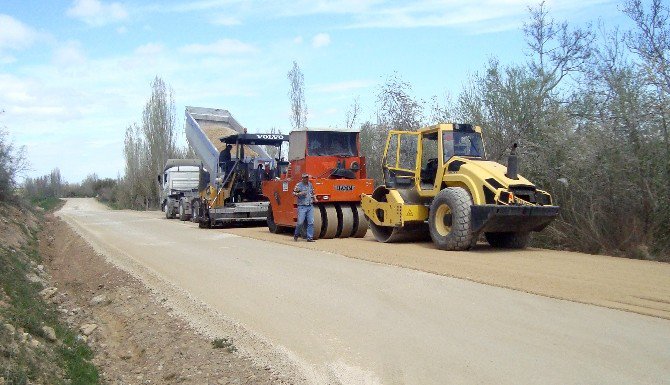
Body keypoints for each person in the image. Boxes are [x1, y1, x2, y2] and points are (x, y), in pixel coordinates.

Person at [293, 173, 316, 242]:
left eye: (307, 177)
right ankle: (296, 235)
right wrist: (300, 193)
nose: (306, 179)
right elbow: (293, 193)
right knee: (300, 222)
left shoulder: (310, 185)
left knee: (311, 222)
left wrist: (314, 198)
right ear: (302, 178)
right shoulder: (298, 185)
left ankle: (309, 238)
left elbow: (312, 193)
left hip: (310, 206)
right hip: (302, 206)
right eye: (305, 178)